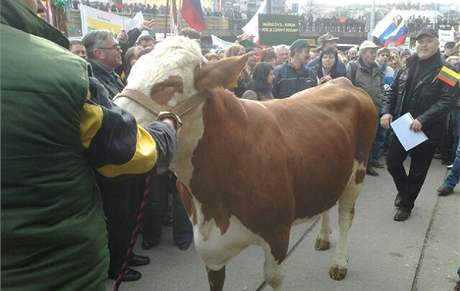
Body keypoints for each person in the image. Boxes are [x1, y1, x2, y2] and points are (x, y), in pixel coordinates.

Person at [1, 0, 180, 289]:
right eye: (113, 48)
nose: (119, 51)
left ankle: (123, 257)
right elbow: (129, 151)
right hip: (58, 270)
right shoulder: (64, 70)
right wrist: (167, 127)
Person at [380, 28, 458, 221]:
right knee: (392, 162)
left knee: (418, 171)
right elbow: (392, 91)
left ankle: (406, 205)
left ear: (437, 43)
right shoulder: (407, 65)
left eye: (428, 41)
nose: (423, 45)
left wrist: (423, 119)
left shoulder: (448, 69)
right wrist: (387, 111)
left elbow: (447, 101)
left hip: (428, 129)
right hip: (403, 125)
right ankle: (405, 191)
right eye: (419, 41)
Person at [347, 40, 385, 176]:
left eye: (375, 52)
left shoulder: (377, 68)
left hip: (376, 108)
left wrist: (382, 100)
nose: (374, 54)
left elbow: (381, 87)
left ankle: (370, 162)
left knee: (373, 137)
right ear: (362, 53)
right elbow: (347, 89)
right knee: (360, 139)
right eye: (371, 52)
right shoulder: (352, 67)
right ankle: (359, 165)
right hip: (360, 111)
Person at [82, 30, 125, 99]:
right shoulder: (92, 83)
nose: (121, 51)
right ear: (99, 53)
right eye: (116, 47)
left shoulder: (112, 74)